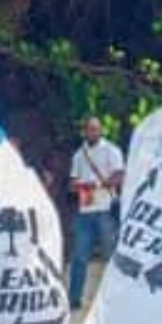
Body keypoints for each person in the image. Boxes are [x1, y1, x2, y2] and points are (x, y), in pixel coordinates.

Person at [65, 117, 126, 310]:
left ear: (101, 131)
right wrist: (81, 186)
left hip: (105, 209)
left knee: (111, 256)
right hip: (85, 210)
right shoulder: (79, 155)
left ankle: (118, 299)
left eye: (96, 129)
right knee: (79, 257)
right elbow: (72, 183)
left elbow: (119, 175)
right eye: (89, 129)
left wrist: (98, 185)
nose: (93, 132)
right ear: (84, 132)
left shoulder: (111, 150)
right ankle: (74, 299)